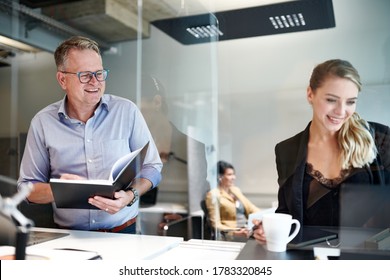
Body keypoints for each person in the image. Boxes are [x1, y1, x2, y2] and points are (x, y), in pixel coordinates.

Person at [17, 36, 162, 234]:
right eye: (85, 75)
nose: (95, 82)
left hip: (124, 233)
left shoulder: (127, 111)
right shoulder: (42, 123)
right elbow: (27, 189)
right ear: (62, 79)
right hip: (69, 238)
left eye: (99, 73)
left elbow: (152, 166)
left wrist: (130, 195)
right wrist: (61, 190)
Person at [253, 59, 390, 243]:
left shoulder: (380, 138)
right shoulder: (286, 151)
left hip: (368, 260)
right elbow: (287, 212)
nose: (341, 111)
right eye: (331, 100)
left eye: (350, 102)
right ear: (310, 94)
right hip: (312, 259)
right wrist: (269, 229)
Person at [206, 160, 260, 240]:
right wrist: (235, 233)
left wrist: (264, 217)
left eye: (233, 174)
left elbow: (251, 208)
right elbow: (216, 224)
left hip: (246, 229)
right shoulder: (213, 195)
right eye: (229, 174)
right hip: (232, 234)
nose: (233, 177)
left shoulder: (235, 190)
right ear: (220, 177)